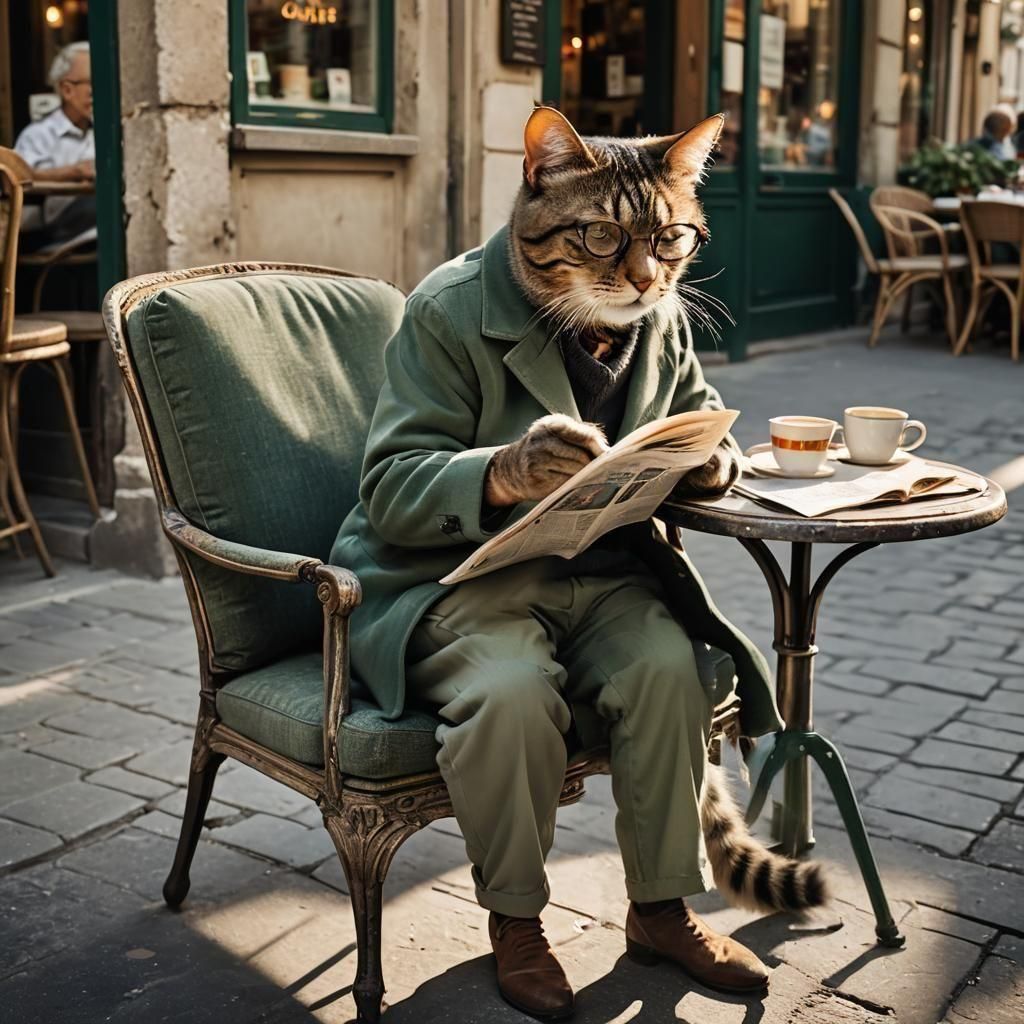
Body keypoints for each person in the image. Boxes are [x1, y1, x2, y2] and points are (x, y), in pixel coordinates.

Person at [331, 107, 828, 1020]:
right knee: (513, 692)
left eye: (668, 241)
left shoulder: (661, 310)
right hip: (460, 581)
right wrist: (505, 471)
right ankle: (517, 923)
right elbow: (391, 488)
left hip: (600, 576)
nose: (643, 272)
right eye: (603, 238)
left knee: (669, 669)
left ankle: (660, 909)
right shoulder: (448, 309)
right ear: (540, 188)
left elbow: (699, 407)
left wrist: (711, 457)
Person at [14, 41, 96, 245]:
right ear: (67, 90)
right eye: (92, 83)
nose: (99, 91)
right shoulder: (39, 135)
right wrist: (75, 172)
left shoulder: (105, 131)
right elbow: (18, 177)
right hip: (54, 229)